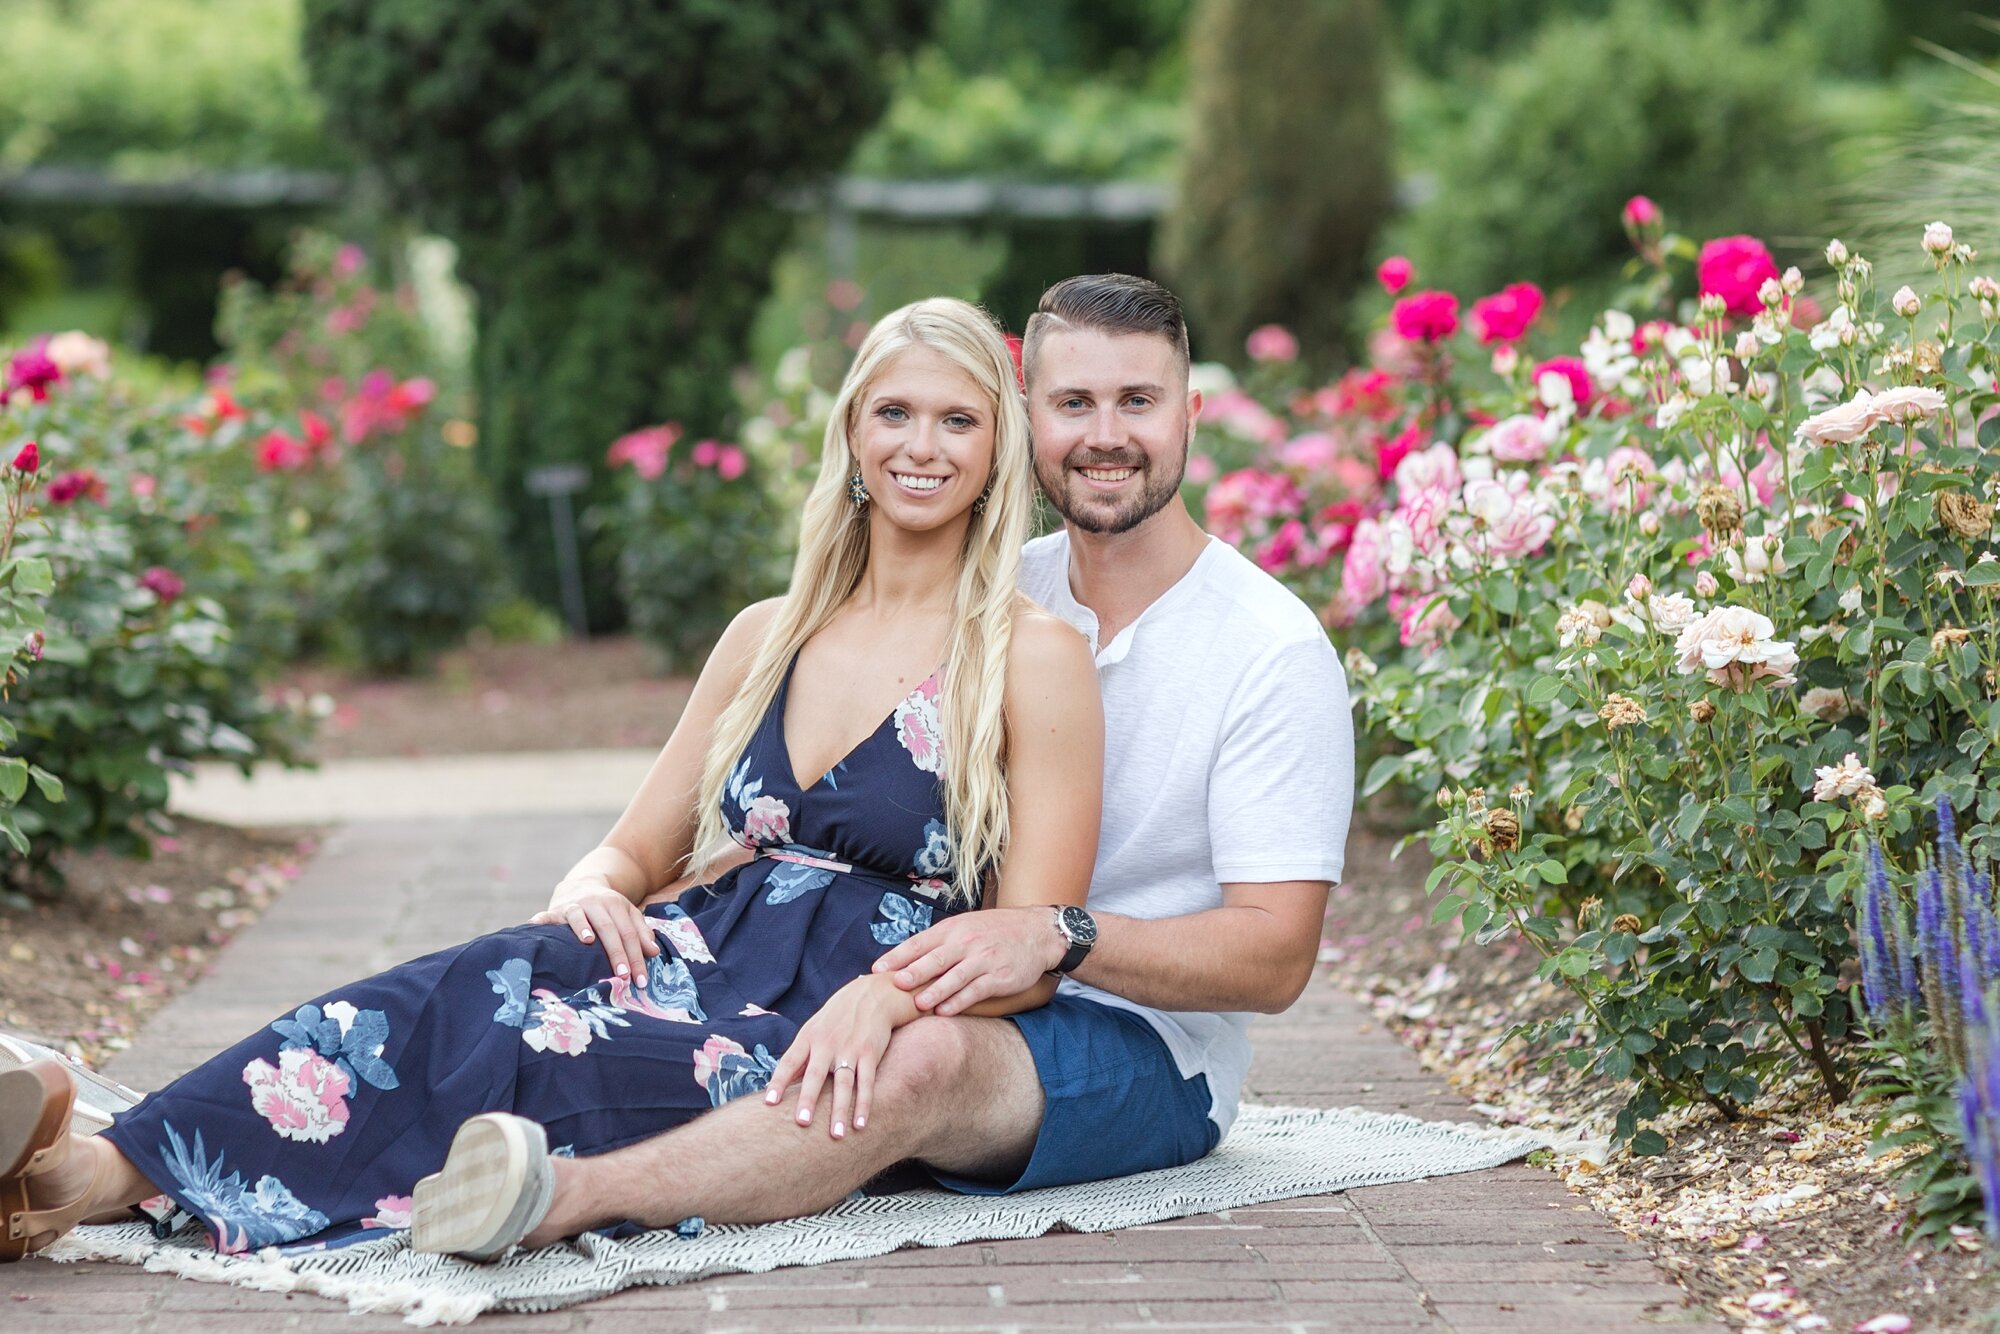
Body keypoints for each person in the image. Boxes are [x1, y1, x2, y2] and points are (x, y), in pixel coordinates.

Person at [0, 296, 1104, 1263]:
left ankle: (166, 1184)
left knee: (551, 1049)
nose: (922, 445)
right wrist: (588, 889)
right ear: (852, 435)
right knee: (439, 994)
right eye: (894, 413)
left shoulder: (1028, 655)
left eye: (958, 419)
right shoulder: (770, 633)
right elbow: (635, 848)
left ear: (998, 450)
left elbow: (1031, 940)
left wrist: (888, 998)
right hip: (696, 946)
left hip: (834, 1010)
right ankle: (89, 1171)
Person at [404, 273, 1354, 1252]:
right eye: (1073, 402)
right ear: (1025, 423)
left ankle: (566, 1194)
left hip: (1136, 1037)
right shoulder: (988, 595)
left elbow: (1274, 956)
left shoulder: (1265, 648)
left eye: (1138, 402)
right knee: (595, 986)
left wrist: (1058, 935)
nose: (1104, 433)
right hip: (921, 967)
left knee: (920, 1059)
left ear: (1189, 412)